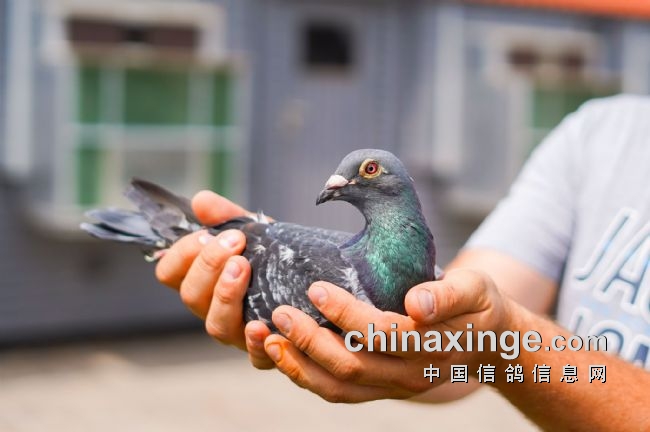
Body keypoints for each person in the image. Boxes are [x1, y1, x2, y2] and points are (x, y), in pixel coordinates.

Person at [153, 94, 650, 429]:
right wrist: (465, 348)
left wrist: (501, 342)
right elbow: (456, 357)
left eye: (367, 170)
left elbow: (485, 342)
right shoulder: (601, 134)